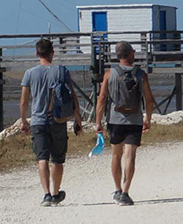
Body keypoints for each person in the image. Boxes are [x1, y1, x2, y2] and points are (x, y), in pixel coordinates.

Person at [20, 38, 83, 207]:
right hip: (58, 119)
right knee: (58, 159)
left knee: (42, 158)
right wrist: (77, 117)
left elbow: (24, 101)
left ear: (37, 53)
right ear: (52, 53)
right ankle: (56, 193)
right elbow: (72, 96)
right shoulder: (62, 71)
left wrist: (24, 121)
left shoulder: (29, 73)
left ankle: (46, 194)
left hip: (38, 120)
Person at [94, 42, 156, 206]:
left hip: (115, 119)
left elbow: (101, 100)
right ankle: (126, 191)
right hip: (134, 119)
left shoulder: (109, 74)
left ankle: (117, 190)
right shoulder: (141, 74)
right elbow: (149, 100)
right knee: (130, 156)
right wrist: (148, 118)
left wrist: (98, 122)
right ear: (130, 54)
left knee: (116, 154)